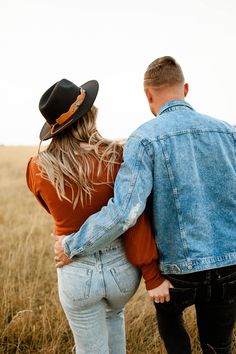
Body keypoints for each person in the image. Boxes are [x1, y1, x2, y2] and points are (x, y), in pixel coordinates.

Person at [54, 57, 236, 354]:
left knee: (171, 323)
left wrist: (71, 244)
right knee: (220, 347)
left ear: (148, 94)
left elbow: (125, 213)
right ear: (185, 89)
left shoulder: (144, 139)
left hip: (178, 270)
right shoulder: (229, 133)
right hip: (229, 263)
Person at [26, 78, 171, 354]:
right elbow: (135, 216)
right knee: (114, 318)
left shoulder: (37, 167)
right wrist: (152, 275)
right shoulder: (117, 155)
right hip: (122, 272)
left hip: (76, 272)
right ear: (89, 115)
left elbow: (48, 206)